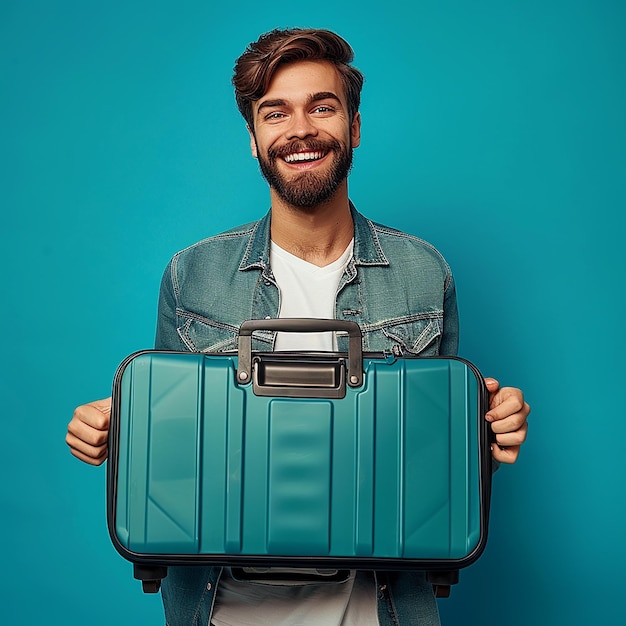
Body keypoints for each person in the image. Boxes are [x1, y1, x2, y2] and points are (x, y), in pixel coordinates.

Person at [66, 27, 530, 626]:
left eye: (322, 107)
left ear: (354, 127)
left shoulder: (424, 272)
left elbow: (432, 475)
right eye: (275, 112)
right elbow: (175, 472)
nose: (301, 130)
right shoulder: (192, 276)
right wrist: (119, 431)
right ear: (254, 138)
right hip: (224, 610)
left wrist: (487, 431)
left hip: (377, 609)